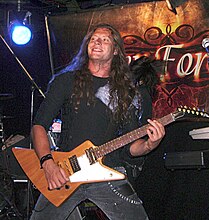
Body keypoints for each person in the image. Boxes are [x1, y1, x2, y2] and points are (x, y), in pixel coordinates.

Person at [30, 23, 165, 220]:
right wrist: (47, 163)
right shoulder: (66, 81)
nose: (97, 42)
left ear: (116, 50)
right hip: (65, 171)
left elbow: (131, 147)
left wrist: (150, 144)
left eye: (105, 40)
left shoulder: (125, 91)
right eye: (93, 39)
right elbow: (39, 125)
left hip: (108, 171)